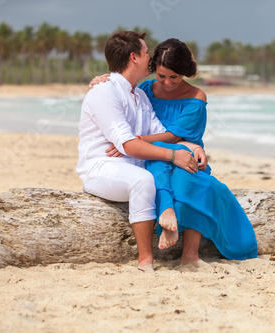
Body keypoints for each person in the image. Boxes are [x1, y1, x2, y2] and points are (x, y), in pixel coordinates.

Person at [90, 38, 258, 264]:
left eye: (174, 77)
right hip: (154, 155)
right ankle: (168, 214)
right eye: (161, 76)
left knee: (197, 180)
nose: (167, 83)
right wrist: (104, 78)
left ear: (184, 73)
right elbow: (123, 93)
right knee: (161, 161)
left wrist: (132, 142)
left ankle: (190, 255)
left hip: (184, 151)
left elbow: (172, 136)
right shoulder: (145, 90)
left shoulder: (196, 97)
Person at [76, 31, 200, 272]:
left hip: (132, 165)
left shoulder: (141, 95)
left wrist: (191, 147)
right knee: (143, 180)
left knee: (183, 174)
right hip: (101, 168)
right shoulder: (104, 92)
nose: (150, 58)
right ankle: (145, 261)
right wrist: (174, 155)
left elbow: (160, 134)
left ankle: (188, 247)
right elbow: (129, 145)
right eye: (146, 53)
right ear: (134, 57)